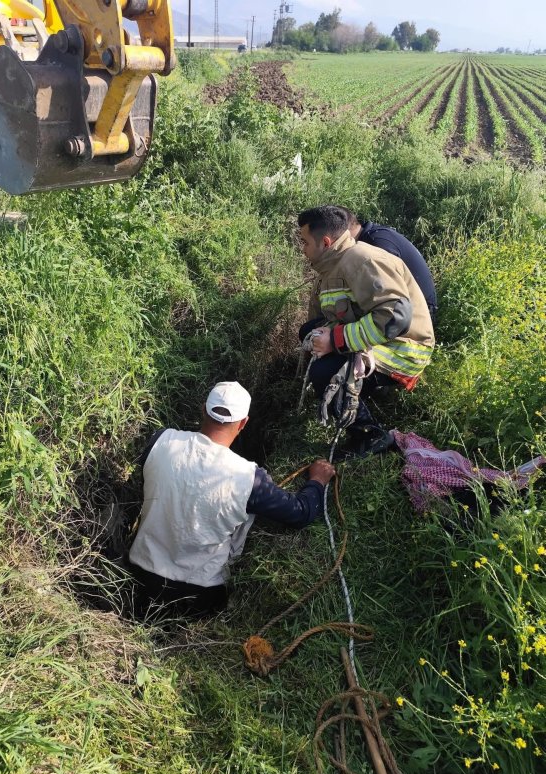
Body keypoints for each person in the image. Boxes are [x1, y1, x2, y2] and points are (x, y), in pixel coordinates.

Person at [127, 381, 335, 618]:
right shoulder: (248, 478)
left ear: (203, 409)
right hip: (199, 593)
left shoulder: (160, 441)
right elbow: (300, 513)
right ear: (244, 423)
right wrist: (317, 480)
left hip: (138, 575)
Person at [298, 205, 435, 455]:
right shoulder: (330, 267)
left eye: (305, 242)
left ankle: (370, 436)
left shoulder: (363, 260)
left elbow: (394, 318)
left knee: (325, 372)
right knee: (309, 331)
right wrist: (322, 339)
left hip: (403, 348)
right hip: (379, 340)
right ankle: (357, 394)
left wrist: (335, 341)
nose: (302, 250)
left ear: (325, 242)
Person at [337, 207, 437, 320]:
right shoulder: (373, 235)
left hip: (419, 311)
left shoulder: (376, 242)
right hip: (410, 305)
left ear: (342, 234)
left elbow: (386, 290)